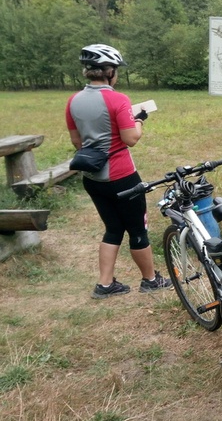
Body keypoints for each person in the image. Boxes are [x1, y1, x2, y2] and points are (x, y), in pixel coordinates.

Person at [66, 43, 172, 299]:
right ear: (109, 71)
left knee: (113, 228)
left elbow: (77, 142)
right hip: (122, 177)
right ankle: (150, 280)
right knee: (137, 230)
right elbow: (131, 138)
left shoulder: (73, 101)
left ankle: (104, 284)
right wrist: (139, 119)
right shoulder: (118, 99)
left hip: (92, 177)